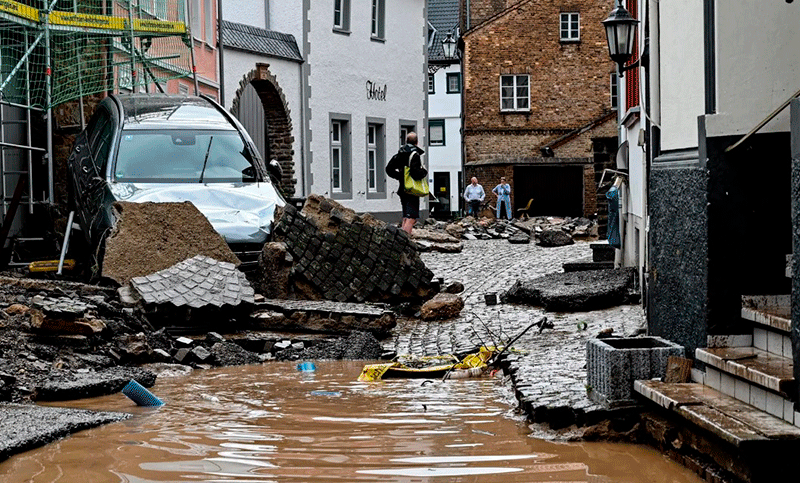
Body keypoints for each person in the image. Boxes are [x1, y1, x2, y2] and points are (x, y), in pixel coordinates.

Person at [385, 132, 426, 234]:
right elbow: (415, 173)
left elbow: (389, 169)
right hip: (412, 189)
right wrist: (424, 172)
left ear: (406, 141)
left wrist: (399, 176)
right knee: (411, 217)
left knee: (406, 216)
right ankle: (405, 241)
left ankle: (401, 240)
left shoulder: (400, 153)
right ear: (416, 142)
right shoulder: (414, 154)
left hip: (402, 188)